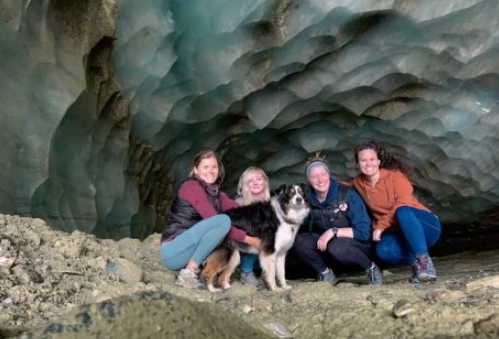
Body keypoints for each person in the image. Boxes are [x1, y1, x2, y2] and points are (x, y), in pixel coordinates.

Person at [159, 150, 261, 289]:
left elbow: (239, 210)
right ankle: (188, 274)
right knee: (223, 221)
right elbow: (215, 220)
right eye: (206, 167)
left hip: (188, 250)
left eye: (214, 167)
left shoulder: (215, 193)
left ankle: (194, 270)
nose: (211, 171)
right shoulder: (190, 187)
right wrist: (250, 240)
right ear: (196, 170)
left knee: (231, 221)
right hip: (173, 251)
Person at [352, 140, 441, 283]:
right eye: (363, 160)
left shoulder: (395, 176)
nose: (368, 164)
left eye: (372, 159)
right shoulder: (358, 182)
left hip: (425, 227)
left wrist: (380, 227)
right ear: (358, 164)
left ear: (379, 161)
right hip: (400, 234)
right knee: (383, 251)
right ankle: (417, 266)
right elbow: (344, 189)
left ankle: (425, 262)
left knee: (402, 211)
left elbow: (403, 202)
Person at [292, 155, 383, 286]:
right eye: (314, 176)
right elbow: (300, 228)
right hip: (327, 251)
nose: (320, 179)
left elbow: (364, 232)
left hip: (354, 248)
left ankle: (371, 269)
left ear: (328, 174)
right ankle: (326, 273)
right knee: (299, 241)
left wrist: (332, 232)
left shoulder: (347, 194)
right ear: (308, 180)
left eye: (323, 174)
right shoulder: (306, 200)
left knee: (337, 247)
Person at [235, 166, 271, 285]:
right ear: (245, 185)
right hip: (241, 249)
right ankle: (246, 273)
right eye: (250, 181)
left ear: (265, 182)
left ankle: (264, 272)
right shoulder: (239, 204)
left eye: (258, 179)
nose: (255, 182)